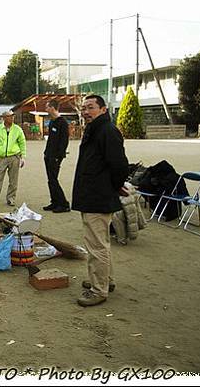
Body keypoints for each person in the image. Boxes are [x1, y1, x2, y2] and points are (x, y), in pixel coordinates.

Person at [72, 95, 129, 307]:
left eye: (91, 107)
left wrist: (114, 186)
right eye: (84, 107)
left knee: (96, 246)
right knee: (101, 243)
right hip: (92, 194)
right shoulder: (94, 129)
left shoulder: (107, 131)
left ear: (103, 109)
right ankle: (106, 280)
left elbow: (119, 164)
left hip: (98, 196)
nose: (86, 111)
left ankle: (99, 289)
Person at [0, 110, 27, 208]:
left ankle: (11, 199)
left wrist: (23, 157)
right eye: (10, 116)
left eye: (13, 116)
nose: (12, 118)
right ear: (4, 118)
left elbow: (22, 143)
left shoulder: (18, 129)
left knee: (13, 180)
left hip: (15, 157)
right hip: (1, 158)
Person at [43, 99, 70, 213]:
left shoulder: (62, 122)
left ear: (52, 108)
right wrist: (46, 153)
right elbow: (51, 140)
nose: (46, 109)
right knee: (50, 180)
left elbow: (64, 141)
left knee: (54, 180)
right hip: (48, 155)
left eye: (47, 107)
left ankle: (64, 204)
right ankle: (54, 202)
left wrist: (58, 156)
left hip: (56, 157)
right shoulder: (52, 122)